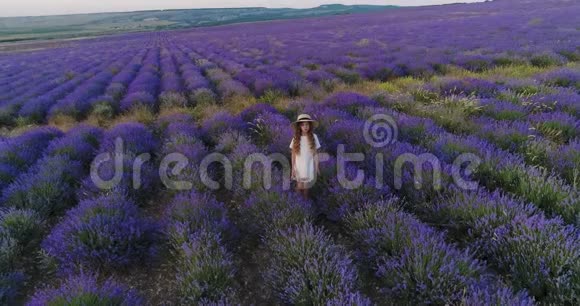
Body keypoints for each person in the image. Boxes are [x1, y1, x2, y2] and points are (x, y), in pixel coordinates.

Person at [289, 113, 321, 198]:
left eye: (307, 124)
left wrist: (317, 167)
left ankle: (305, 203)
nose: (305, 127)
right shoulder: (296, 138)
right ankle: (297, 203)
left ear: (310, 126)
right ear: (299, 126)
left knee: (307, 187)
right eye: (303, 125)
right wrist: (293, 168)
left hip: (309, 165)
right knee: (299, 186)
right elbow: (293, 154)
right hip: (299, 165)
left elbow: (315, 154)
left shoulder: (314, 137)